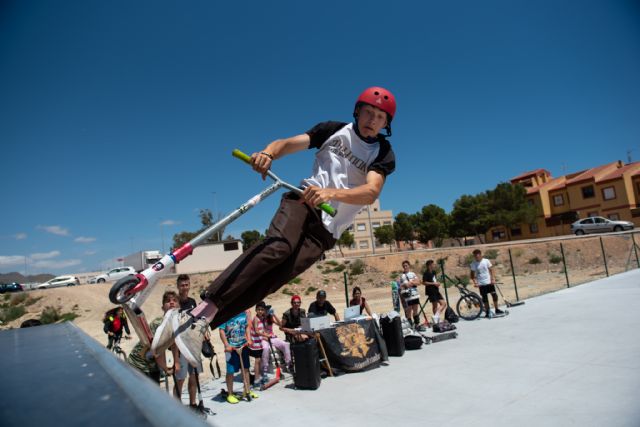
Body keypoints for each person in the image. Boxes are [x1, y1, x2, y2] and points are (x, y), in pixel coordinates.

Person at [151, 87, 397, 367]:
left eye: (380, 117)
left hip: (327, 232)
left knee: (272, 280)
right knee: (278, 247)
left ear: (386, 124)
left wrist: (331, 193)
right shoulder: (333, 130)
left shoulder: (383, 152)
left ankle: (200, 323)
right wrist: (268, 154)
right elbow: (288, 143)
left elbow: (371, 191)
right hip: (303, 202)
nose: (372, 120)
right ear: (357, 111)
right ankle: (197, 312)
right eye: (368, 112)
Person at [127, 291, 180, 383]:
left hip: (152, 366)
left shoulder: (176, 324)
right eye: (168, 301)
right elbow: (158, 349)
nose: (171, 302)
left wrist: (176, 362)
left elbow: (174, 343)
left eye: (174, 300)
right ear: (163, 308)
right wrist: (166, 369)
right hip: (139, 365)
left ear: (179, 306)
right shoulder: (160, 323)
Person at [173, 274, 207, 409]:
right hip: (180, 346)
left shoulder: (193, 301)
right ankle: (176, 407)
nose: (185, 288)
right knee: (180, 379)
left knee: (194, 376)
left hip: (193, 345)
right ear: (178, 286)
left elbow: (197, 320)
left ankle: (193, 404)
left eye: (186, 285)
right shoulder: (174, 303)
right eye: (182, 285)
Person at [219, 310, 259, 404]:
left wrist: (248, 338)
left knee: (246, 369)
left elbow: (246, 327)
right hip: (231, 348)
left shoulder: (243, 313)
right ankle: (230, 394)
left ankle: (247, 391)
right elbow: (221, 331)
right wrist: (226, 345)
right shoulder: (225, 315)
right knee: (230, 371)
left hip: (243, 345)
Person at [255, 301, 292, 375]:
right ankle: (265, 367)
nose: (265, 312)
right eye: (264, 310)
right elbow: (257, 331)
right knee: (265, 349)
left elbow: (280, 325)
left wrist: (274, 315)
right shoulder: (259, 318)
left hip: (272, 337)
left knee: (285, 344)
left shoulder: (270, 317)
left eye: (266, 310)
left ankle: (289, 364)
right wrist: (264, 336)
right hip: (264, 338)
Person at [470, 249, 504, 317]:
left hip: (489, 282)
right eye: (475, 256)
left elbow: (491, 270)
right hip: (481, 284)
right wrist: (475, 282)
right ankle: (487, 312)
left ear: (480, 255)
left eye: (478, 255)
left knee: (494, 295)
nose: (477, 257)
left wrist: (493, 279)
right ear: (474, 256)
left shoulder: (486, 261)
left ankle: (497, 309)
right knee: (485, 298)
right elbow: (472, 275)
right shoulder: (473, 264)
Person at [398, 260, 424, 330]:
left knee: (415, 310)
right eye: (404, 266)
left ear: (409, 265)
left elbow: (419, 282)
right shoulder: (402, 276)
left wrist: (411, 283)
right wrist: (405, 284)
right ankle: (410, 326)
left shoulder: (413, 274)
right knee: (409, 311)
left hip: (415, 294)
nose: (405, 267)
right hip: (407, 296)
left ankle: (417, 324)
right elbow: (400, 286)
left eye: (406, 265)